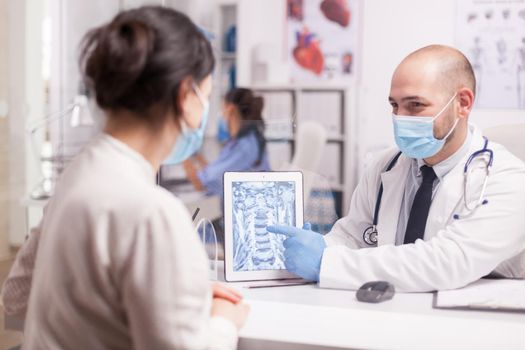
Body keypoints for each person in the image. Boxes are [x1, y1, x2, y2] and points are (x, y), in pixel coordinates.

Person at [2, 6, 249, 349]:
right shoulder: (153, 213)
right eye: (206, 96)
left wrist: (161, 293)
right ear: (185, 96)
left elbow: (15, 297)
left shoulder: (79, 173)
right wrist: (223, 320)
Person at [268, 45, 525, 292]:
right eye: (394, 105)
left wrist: (326, 262)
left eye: (415, 105)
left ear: (463, 103)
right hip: (388, 309)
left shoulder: (507, 179)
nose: (400, 117)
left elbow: (449, 262)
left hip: (471, 323)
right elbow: (354, 237)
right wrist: (320, 245)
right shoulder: (385, 166)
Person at [184, 88, 270, 196]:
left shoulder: (243, 147)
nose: (221, 115)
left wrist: (181, 152)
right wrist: (195, 154)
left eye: (222, 109)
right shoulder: (246, 141)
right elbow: (213, 171)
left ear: (230, 110)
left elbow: (202, 183)